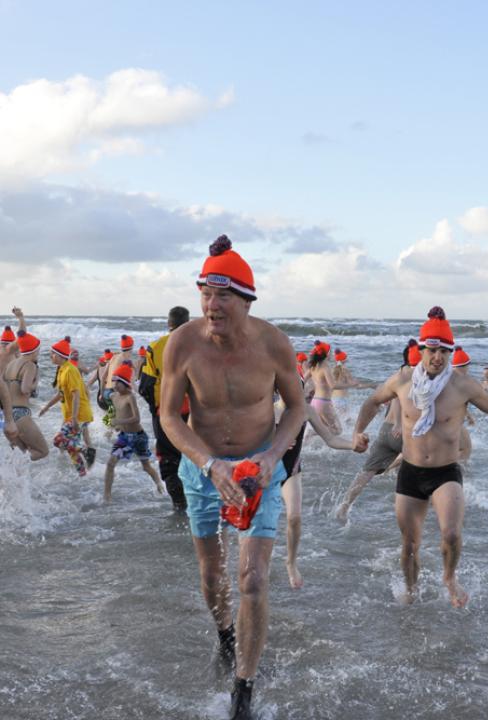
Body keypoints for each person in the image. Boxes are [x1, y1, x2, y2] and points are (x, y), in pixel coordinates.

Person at [160, 235, 305, 720]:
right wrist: (208, 464)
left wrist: (273, 458)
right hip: (203, 471)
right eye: (205, 292)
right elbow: (169, 417)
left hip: (258, 471)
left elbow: (297, 407)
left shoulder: (273, 344)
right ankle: (226, 634)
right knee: (211, 576)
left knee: (252, 578)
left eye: (223, 296)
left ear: (246, 300)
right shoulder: (182, 344)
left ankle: (244, 688)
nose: (211, 304)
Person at [353, 306, 488, 608]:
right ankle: (411, 590)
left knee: (452, 534)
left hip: (445, 473)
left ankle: (449, 577)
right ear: (422, 348)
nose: (438, 356)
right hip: (411, 472)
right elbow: (373, 400)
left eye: (444, 350)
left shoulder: (461, 385)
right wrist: (357, 432)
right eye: (432, 349)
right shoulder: (402, 380)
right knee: (410, 545)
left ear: (450, 352)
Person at [336, 340, 420, 524]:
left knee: (367, 472)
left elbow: (379, 401)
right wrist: (399, 423)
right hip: (402, 432)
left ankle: (343, 506)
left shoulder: (396, 376)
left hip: (385, 432)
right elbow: (398, 400)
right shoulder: (415, 376)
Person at [280, 401, 353, 588]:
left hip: (291, 471)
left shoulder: (305, 410)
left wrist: (355, 444)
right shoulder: (265, 407)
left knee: (295, 517)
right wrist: (276, 439)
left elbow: (331, 439)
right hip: (265, 470)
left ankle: (291, 562)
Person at [139, 306, 190, 510]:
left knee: (169, 459)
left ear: (169, 324)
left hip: (166, 412)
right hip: (197, 413)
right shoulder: (201, 345)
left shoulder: (155, 347)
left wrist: (155, 409)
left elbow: (145, 386)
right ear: (187, 323)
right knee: (198, 457)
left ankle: (179, 505)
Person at [104, 361, 164, 501]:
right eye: (114, 382)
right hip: (125, 437)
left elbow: (136, 418)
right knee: (110, 463)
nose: (115, 385)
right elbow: (112, 413)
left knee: (146, 466)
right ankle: (107, 496)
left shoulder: (130, 397)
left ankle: (159, 484)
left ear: (125, 383)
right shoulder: (114, 397)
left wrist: (119, 422)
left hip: (138, 437)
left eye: (118, 382)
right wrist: (110, 426)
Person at [39, 336, 96, 477]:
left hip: (79, 414)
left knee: (58, 440)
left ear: (60, 356)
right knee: (71, 449)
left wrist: (75, 419)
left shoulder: (70, 370)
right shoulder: (62, 369)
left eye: (53, 353)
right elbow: (61, 394)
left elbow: (76, 395)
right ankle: (83, 475)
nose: (50, 356)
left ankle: (86, 450)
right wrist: (46, 407)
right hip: (71, 415)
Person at [3, 330, 48, 460]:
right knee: (42, 451)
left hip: (7, 416)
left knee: (21, 454)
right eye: (38, 350)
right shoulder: (30, 365)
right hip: (20, 414)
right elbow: (25, 389)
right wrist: (36, 381)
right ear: (33, 351)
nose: (39, 353)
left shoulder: (10, 364)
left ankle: (16, 479)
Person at [308, 341, 365, 435]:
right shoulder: (325, 367)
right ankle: (313, 433)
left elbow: (303, 379)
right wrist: (350, 385)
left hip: (314, 402)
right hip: (324, 402)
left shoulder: (313, 367)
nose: (331, 354)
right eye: (329, 352)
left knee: (325, 427)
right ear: (326, 354)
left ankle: (318, 443)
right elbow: (333, 385)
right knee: (338, 430)